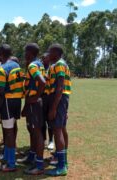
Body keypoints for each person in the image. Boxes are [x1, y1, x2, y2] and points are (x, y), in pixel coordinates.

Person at [0, 44, 24, 172]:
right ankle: (7, 156)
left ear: (1, 54)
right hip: (17, 101)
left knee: (9, 132)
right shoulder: (16, 65)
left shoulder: (2, 69)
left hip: (7, 102)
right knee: (12, 128)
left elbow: (1, 92)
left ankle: (11, 164)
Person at [45, 44, 71, 176]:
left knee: (57, 130)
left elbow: (60, 87)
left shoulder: (59, 64)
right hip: (60, 99)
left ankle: (61, 166)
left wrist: (53, 108)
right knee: (61, 129)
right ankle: (64, 161)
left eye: (50, 51)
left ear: (56, 52)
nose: (48, 54)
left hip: (58, 98)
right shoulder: (55, 64)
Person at [21, 43, 46, 175]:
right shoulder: (39, 64)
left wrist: (35, 97)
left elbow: (42, 82)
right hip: (33, 103)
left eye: (25, 52)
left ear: (29, 52)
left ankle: (40, 165)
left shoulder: (32, 65)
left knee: (37, 132)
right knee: (33, 130)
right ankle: (32, 157)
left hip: (35, 103)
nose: (24, 54)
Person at [41, 52, 54, 151]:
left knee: (50, 120)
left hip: (49, 97)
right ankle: (44, 140)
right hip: (41, 97)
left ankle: (51, 141)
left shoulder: (52, 68)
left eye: (46, 58)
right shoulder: (39, 68)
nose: (44, 60)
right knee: (42, 120)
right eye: (43, 58)